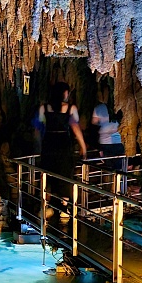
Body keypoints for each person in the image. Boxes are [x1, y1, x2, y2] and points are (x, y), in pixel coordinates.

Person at [39, 81, 87, 220]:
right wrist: (83, 147)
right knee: (65, 172)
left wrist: (39, 144)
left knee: (48, 171)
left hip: (49, 142)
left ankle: (46, 205)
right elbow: (75, 127)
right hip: (63, 143)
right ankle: (63, 206)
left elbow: (40, 126)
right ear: (64, 93)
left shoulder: (44, 107)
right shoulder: (70, 108)